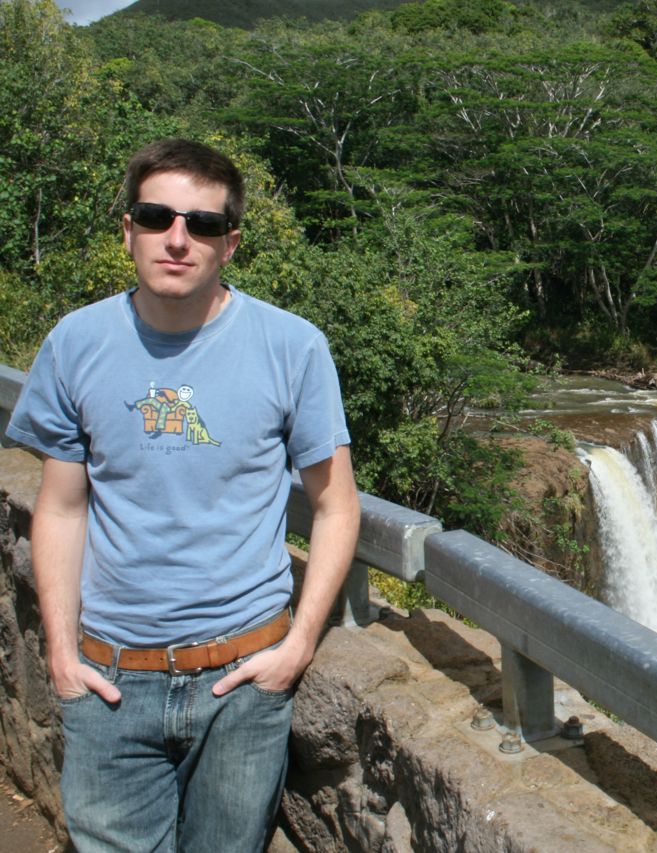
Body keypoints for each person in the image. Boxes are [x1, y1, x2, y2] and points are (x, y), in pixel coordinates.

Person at [4, 138, 361, 852]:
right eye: (157, 215)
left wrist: (296, 647)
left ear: (229, 243)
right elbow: (62, 504)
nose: (177, 238)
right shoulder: (75, 344)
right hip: (107, 677)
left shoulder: (292, 347)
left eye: (201, 224)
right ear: (129, 228)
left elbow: (335, 503)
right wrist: (61, 651)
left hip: (242, 678)